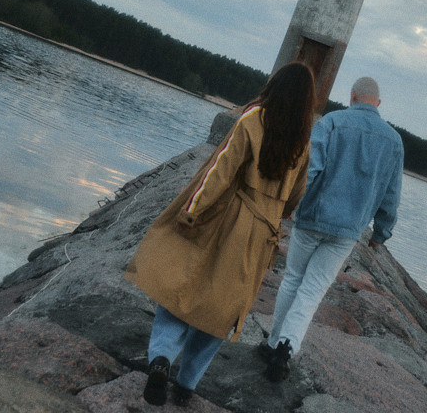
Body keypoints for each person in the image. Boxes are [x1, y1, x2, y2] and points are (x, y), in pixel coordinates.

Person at [124, 61, 316, 407]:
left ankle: (162, 358)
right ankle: (186, 385)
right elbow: (295, 198)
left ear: (275, 85)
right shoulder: (303, 142)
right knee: (222, 310)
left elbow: (219, 171)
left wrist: (191, 211)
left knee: (182, 286)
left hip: (226, 219)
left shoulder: (253, 119)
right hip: (261, 235)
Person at [261, 76, 404, 382]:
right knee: (313, 289)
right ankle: (287, 347)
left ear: (352, 96)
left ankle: (273, 343)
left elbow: (310, 169)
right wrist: (380, 234)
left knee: (293, 279)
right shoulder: (394, 141)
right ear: (378, 103)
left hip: (312, 218)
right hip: (347, 231)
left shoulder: (331, 122)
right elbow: (391, 195)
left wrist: (292, 204)